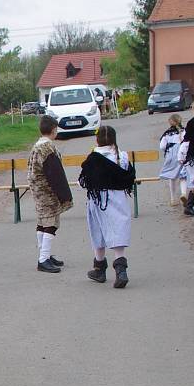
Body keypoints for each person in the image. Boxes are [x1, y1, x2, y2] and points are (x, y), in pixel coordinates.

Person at [78, 125, 136, 289]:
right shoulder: (122, 157)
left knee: (98, 230)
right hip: (118, 198)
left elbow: (83, 182)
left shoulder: (93, 158)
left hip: (99, 200)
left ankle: (99, 267)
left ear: (97, 140)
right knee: (118, 229)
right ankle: (120, 268)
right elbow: (130, 176)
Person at [27, 115, 73, 273]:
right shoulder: (48, 148)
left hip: (38, 190)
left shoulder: (37, 145)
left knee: (41, 222)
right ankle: (43, 259)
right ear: (54, 130)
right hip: (47, 191)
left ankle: (43, 254)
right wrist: (65, 195)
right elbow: (55, 174)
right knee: (50, 224)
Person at [158, 114, 185, 206]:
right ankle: (184, 193)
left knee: (172, 176)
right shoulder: (184, 131)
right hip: (182, 154)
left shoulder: (167, 133)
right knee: (183, 175)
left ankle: (173, 198)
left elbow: (162, 146)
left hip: (171, 155)